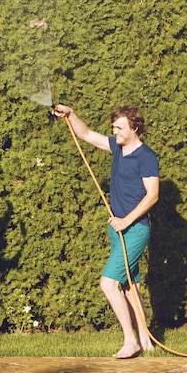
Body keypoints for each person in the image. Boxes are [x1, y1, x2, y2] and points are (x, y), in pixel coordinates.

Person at [52, 104, 159, 359]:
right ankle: (146, 339)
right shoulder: (117, 147)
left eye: (119, 128)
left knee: (109, 283)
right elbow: (87, 134)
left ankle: (130, 341)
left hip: (135, 229)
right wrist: (72, 114)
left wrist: (126, 220)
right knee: (130, 285)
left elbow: (153, 196)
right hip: (118, 230)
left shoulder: (146, 157)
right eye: (114, 128)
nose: (115, 132)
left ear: (134, 128)